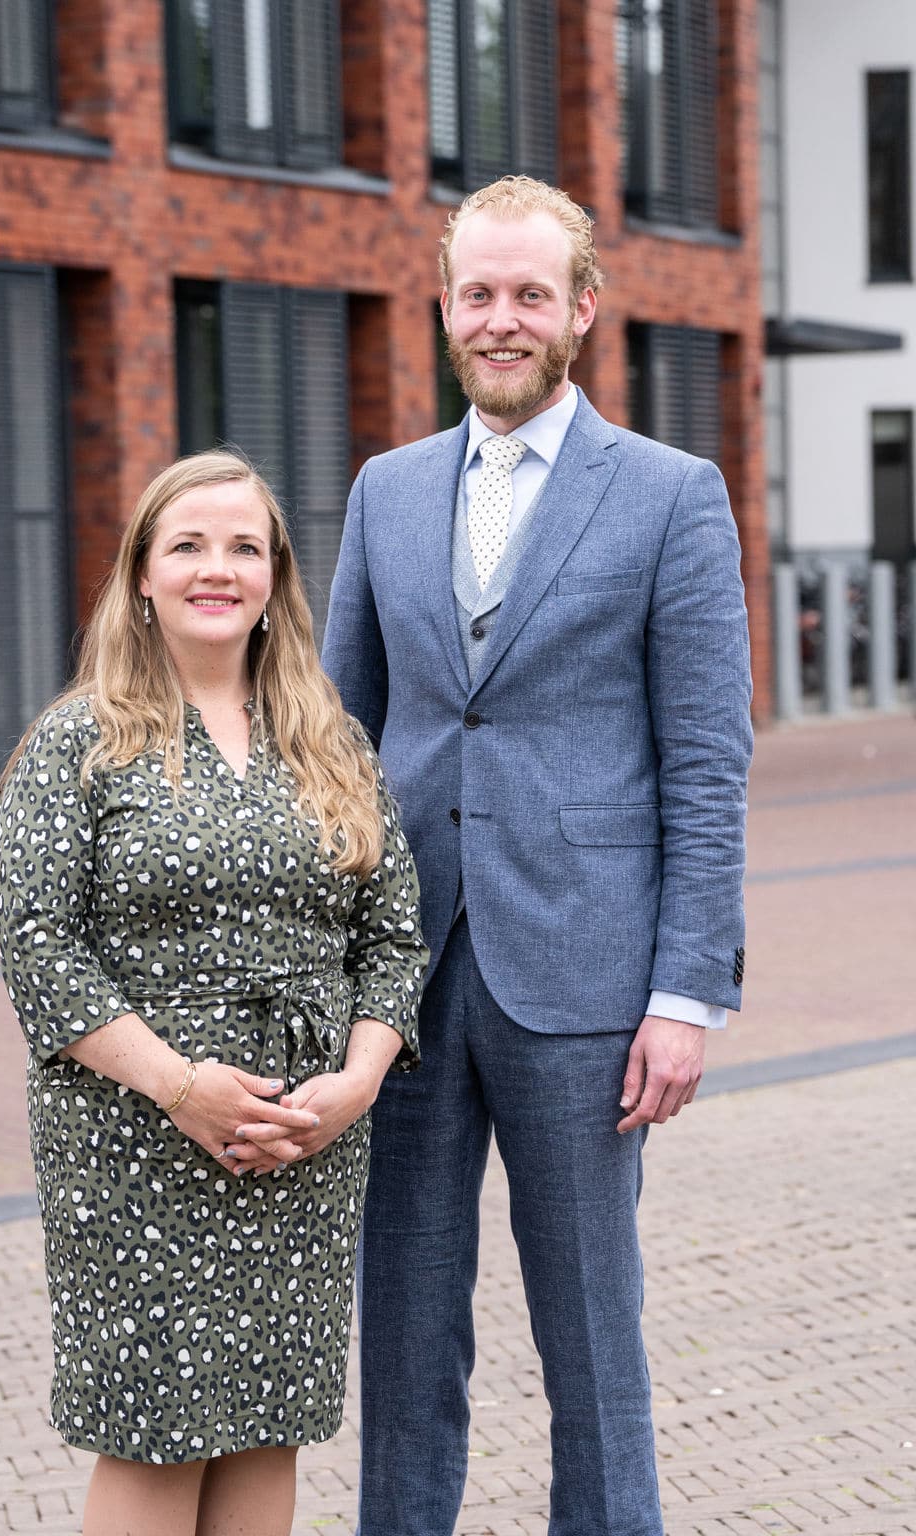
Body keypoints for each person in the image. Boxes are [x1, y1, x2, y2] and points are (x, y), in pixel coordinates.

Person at [322, 176, 753, 1536]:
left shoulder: (673, 496)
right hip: (403, 984)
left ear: (580, 309)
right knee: (400, 1337)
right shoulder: (385, 491)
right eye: (476, 294)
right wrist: (323, 972)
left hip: (585, 982)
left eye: (527, 295)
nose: (500, 319)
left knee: (590, 1338)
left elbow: (706, 758)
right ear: (444, 309)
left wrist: (687, 994)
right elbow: (336, 743)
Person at [0, 450, 427, 1536]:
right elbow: (40, 947)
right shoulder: (77, 742)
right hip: (135, 1143)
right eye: (188, 545)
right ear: (141, 573)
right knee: (153, 1433)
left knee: (266, 1427)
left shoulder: (331, 742)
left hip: (301, 1144)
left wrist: (356, 1085)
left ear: (276, 575)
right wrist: (182, 1087)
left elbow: (392, 936)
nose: (217, 568)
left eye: (245, 547)